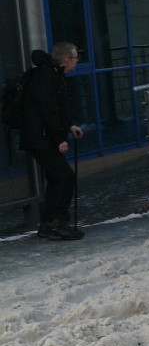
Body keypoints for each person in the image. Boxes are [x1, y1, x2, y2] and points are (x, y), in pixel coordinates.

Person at [18, 43, 85, 240]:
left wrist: (69, 126)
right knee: (65, 177)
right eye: (75, 60)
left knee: (58, 178)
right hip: (41, 138)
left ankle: (49, 223)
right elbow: (49, 111)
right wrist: (59, 139)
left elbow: (57, 108)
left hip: (40, 136)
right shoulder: (47, 77)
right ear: (66, 60)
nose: (76, 64)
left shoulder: (51, 75)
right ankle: (55, 223)